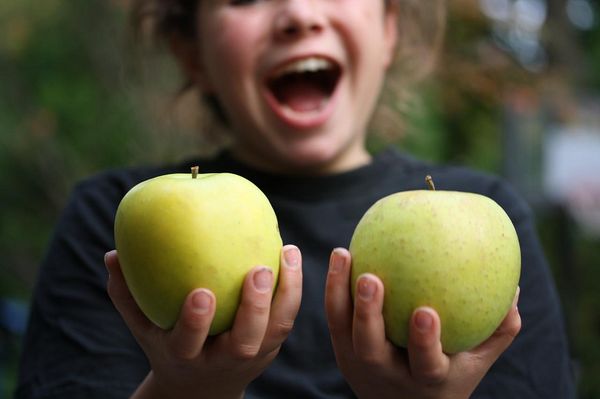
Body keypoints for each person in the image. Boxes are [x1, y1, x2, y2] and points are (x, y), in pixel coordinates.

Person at [16, 0, 576, 398]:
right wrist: (185, 392)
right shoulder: (111, 222)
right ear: (191, 53)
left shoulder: (491, 212)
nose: (299, 13)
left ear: (389, 29)